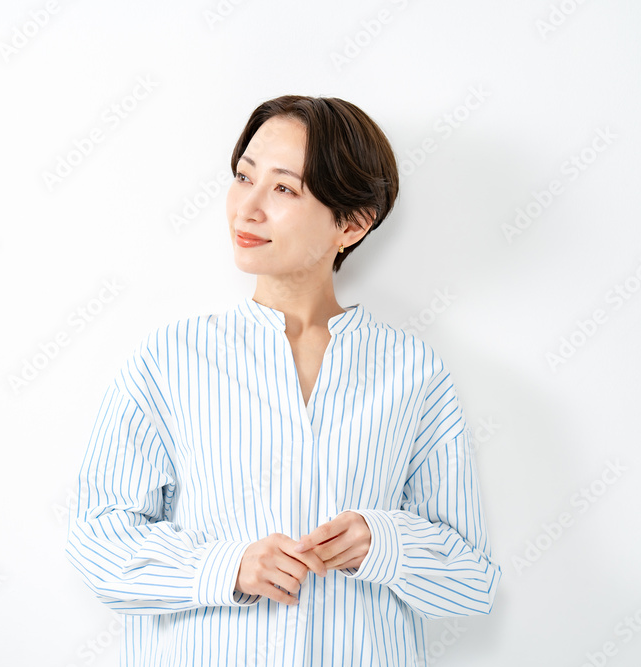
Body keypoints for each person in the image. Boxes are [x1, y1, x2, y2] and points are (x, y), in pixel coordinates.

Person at [64, 95, 501, 666]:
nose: (246, 209)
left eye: (284, 189)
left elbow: (472, 582)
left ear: (352, 224)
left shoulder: (412, 371)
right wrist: (228, 567)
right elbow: (96, 543)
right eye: (244, 177)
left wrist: (384, 542)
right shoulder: (170, 359)